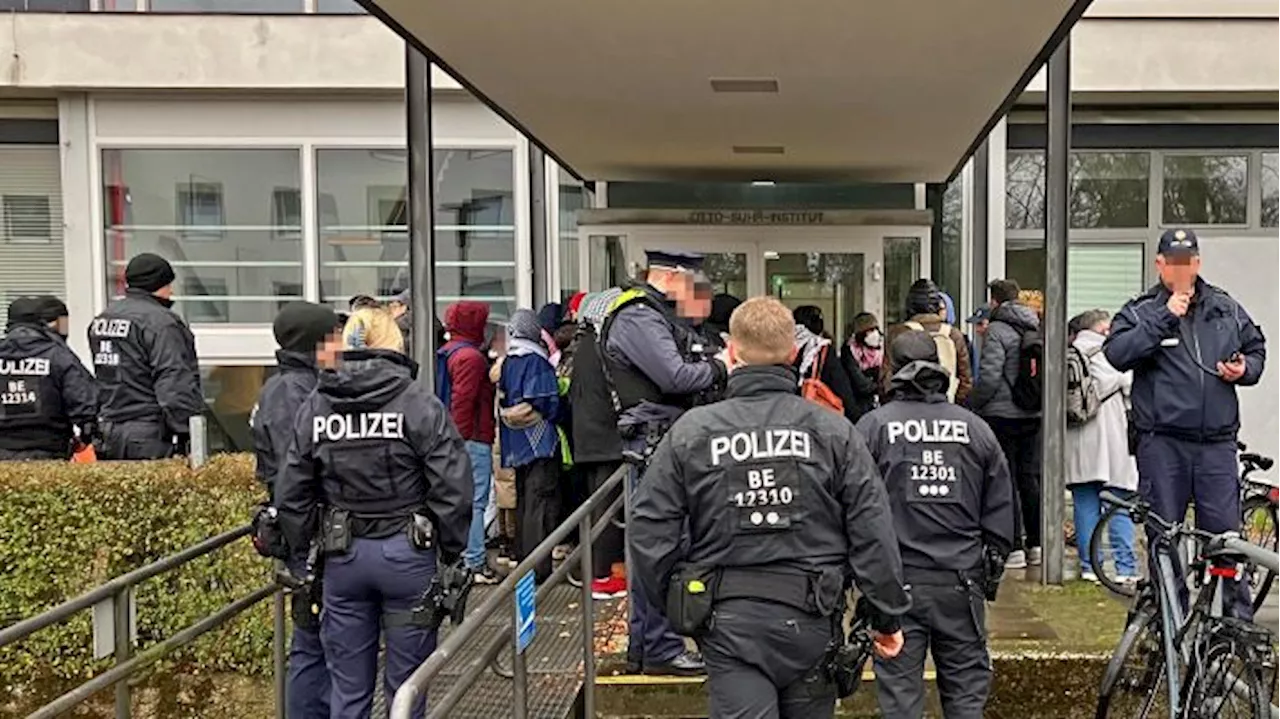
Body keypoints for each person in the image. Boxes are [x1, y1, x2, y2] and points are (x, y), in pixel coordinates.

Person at [630, 296, 910, 719]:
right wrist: (887, 616)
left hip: (728, 620)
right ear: (794, 353)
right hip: (813, 616)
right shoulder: (833, 431)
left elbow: (650, 529)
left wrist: (679, 609)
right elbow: (873, 531)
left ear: (733, 352)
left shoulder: (693, 432)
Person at [275, 309, 472, 719]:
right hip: (408, 554)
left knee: (348, 692)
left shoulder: (317, 404)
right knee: (407, 690)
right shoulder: (417, 402)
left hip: (342, 556)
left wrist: (304, 549)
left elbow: (292, 489)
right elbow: (452, 485)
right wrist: (450, 551)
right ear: (394, 343)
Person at [1105, 228, 1266, 618]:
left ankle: (1233, 627)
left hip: (1216, 445)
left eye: (1188, 261)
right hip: (1163, 445)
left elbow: (1256, 347)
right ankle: (1169, 620)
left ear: (1197, 263)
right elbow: (1117, 353)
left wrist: (1245, 369)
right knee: (1166, 538)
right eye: (1173, 262)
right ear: (1160, 264)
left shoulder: (1224, 307)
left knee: (1225, 540)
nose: (1181, 269)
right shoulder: (1142, 310)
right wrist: (1164, 317)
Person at [857, 330, 1014, 719]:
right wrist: (986, 576)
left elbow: (853, 510)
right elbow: (1001, 512)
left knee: (900, 698)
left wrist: (862, 578)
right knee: (965, 697)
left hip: (896, 584)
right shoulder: (975, 428)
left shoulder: (873, 428)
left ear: (891, 368)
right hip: (961, 582)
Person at [601, 250, 728, 676]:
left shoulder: (657, 316)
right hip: (654, 445)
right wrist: (722, 365)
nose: (698, 292)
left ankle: (648, 644)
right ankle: (658, 645)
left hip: (666, 442)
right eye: (694, 281)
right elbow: (676, 376)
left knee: (665, 545)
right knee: (660, 548)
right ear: (673, 277)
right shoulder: (639, 316)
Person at [251, 301, 343, 719]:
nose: (341, 346)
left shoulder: (293, 385)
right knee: (312, 640)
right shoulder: (294, 393)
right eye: (334, 338)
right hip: (309, 535)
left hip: (308, 530)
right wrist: (308, 540)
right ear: (315, 343)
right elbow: (298, 475)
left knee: (318, 637)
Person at [88, 253, 203, 460]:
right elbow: (174, 380)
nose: (172, 291)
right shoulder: (162, 323)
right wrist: (189, 432)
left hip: (108, 431)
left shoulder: (102, 320)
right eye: (169, 284)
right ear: (159, 284)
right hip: (148, 434)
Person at [967, 278, 1042, 570]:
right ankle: (1037, 543)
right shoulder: (1034, 325)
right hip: (1032, 412)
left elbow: (989, 377)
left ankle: (1014, 546)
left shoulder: (997, 330)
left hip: (1002, 414)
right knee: (1029, 478)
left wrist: (973, 403)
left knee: (1006, 478)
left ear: (995, 301)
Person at [1066, 309, 1138, 584]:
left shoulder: (1069, 353)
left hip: (1078, 437)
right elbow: (1132, 388)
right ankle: (1125, 568)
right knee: (1118, 502)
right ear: (1102, 329)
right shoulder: (1113, 353)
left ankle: (1089, 566)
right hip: (1112, 436)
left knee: (1085, 503)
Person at [568, 288, 630, 599]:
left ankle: (598, 570)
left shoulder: (582, 346)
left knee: (596, 507)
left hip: (588, 437)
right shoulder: (604, 345)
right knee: (608, 510)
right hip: (606, 437)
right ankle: (604, 575)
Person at [496, 309, 563, 583]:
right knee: (541, 503)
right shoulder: (536, 362)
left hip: (515, 442)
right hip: (539, 441)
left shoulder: (509, 361)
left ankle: (524, 561)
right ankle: (538, 568)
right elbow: (547, 400)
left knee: (523, 502)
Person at [436, 301, 499, 585]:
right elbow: (463, 401)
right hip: (472, 438)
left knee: (458, 499)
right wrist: (459, 439)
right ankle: (474, 560)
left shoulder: (447, 352)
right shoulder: (471, 359)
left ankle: (460, 557)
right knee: (476, 501)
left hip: (456, 437)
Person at [0, 296, 97, 461]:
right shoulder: (57, 355)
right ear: (41, 323)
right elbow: (86, 405)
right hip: (49, 454)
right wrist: (85, 438)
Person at [882, 278, 972, 405]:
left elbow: (886, 378)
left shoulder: (899, 333)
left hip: (906, 408)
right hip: (946, 406)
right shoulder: (953, 334)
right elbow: (965, 379)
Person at [792, 305, 859, 422]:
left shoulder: (782, 347)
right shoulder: (821, 348)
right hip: (817, 417)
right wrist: (855, 418)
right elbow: (841, 386)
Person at [839, 311, 883, 422]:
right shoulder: (850, 351)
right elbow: (861, 385)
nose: (875, 334)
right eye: (870, 331)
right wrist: (878, 386)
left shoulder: (881, 351)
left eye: (876, 329)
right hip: (858, 407)